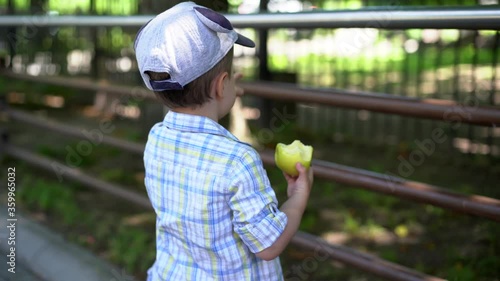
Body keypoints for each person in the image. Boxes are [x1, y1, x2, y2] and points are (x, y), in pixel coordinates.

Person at [134, 2, 313, 280]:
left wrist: (222, 95)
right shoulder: (237, 160)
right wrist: (298, 197)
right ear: (221, 85)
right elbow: (268, 245)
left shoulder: (157, 138)